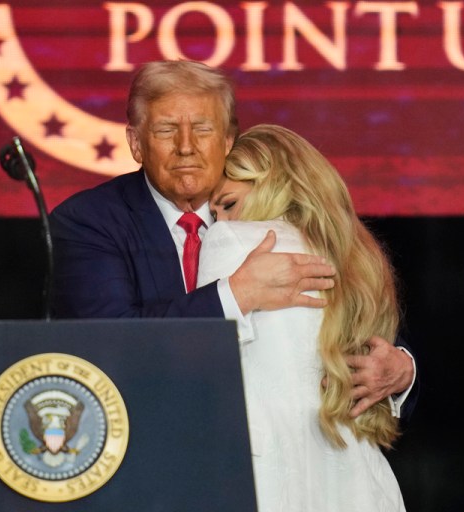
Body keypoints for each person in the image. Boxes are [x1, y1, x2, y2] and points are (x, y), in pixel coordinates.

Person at [49, 59, 415, 418]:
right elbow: (105, 343)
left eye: (203, 129)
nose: (186, 146)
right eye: (165, 130)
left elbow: (351, 308)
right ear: (136, 143)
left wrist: (401, 369)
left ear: (227, 140)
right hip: (150, 436)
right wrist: (234, 294)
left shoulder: (270, 205)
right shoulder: (89, 221)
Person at [199, 124, 408, 511]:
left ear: (274, 186)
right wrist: (405, 367)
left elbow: (200, 363)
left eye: (228, 204)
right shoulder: (361, 259)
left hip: (269, 480)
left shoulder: (233, 242)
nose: (219, 222)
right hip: (361, 482)